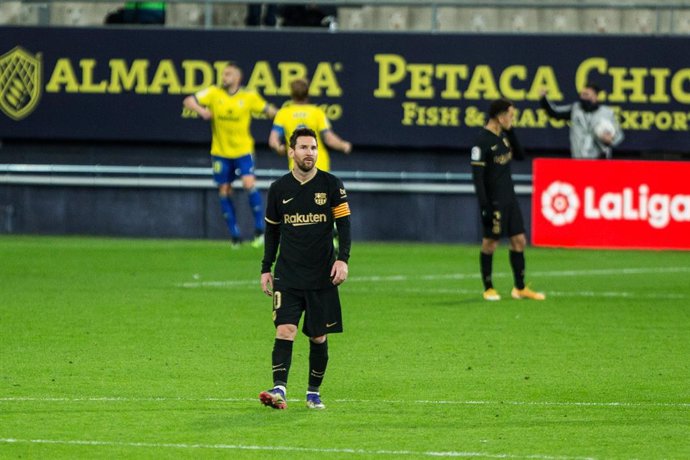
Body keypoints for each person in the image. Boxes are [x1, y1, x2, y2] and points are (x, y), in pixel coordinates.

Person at [259, 127, 351, 410]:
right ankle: (279, 389)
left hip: (322, 275)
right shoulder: (279, 189)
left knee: (318, 335)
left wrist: (343, 259)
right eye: (303, 147)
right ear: (291, 152)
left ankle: (313, 392)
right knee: (285, 330)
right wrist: (266, 268)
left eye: (313, 148)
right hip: (287, 275)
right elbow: (272, 231)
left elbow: (344, 225)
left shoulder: (332, 185)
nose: (309, 152)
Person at [183, 63, 276, 247]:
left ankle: (259, 229)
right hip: (220, 152)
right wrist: (202, 110)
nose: (224, 77)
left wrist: (282, 116)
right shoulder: (213, 93)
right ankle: (235, 235)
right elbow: (188, 100)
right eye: (224, 74)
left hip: (243, 150)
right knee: (224, 190)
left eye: (228, 74)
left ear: (237, 78)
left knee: (249, 183)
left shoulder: (248, 96)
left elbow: (268, 109)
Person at [471, 98, 545, 302]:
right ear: (500, 116)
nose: (512, 118)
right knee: (490, 243)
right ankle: (488, 288)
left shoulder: (503, 138)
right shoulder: (482, 142)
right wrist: (484, 206)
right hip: (493, 201)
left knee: (519, 240)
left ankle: (519, 288)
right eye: (510, 115)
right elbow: (478, 179)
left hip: (509, 198)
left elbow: (520, 155)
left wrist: (511, 131)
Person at [268, 78, 351, 172]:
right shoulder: (317, 112)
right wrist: (343, 145)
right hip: (319, 166)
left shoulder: (283, 114)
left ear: (291, 94)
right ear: (308, 93)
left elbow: (273, 140)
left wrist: (279, 148)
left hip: (298, 168)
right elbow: (329, 139)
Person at [540, 82, 624, 159]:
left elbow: (618, 134)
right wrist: (544, 99)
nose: (582, 97)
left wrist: (610, 140)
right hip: (579, 159)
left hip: (600, 160)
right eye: (581, 94)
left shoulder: (607, 113)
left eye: (586, 94)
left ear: (595, 96)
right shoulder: (575, 109)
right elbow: (554, 113)